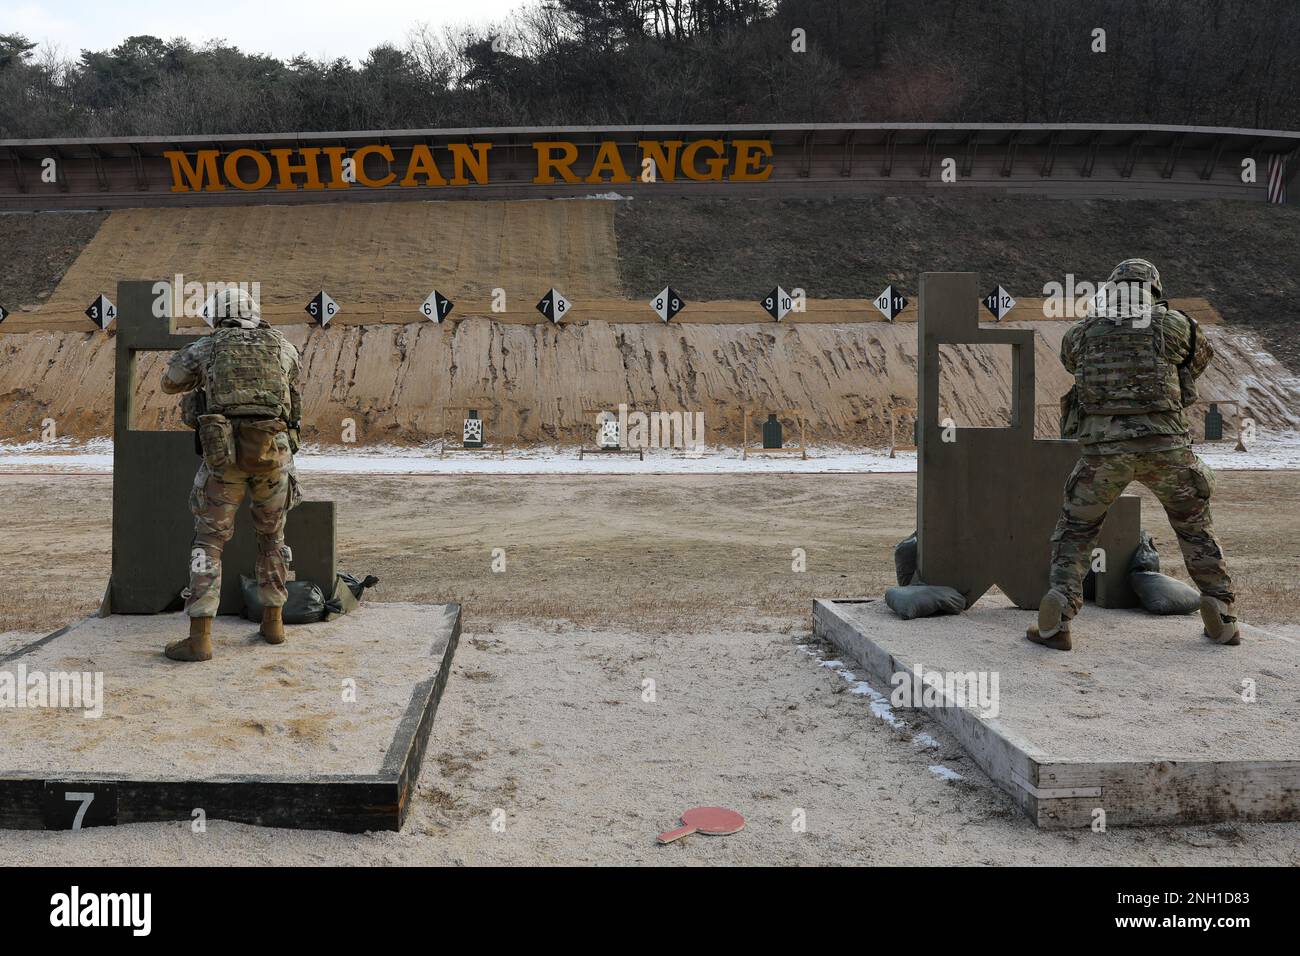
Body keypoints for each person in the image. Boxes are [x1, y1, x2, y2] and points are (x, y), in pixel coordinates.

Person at [1029, 259, 1238, 651]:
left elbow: (1071, 363)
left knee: (1076, 532)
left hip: (1103, 454)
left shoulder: (1082, 332)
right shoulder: (1177, 324)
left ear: (1111, 288)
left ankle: (1057, 618)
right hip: (1167, 448)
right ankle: (1221, 612)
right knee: (1195, 530)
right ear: (1153, 288)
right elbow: (1198, 361)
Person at [160, 287, 302, 662]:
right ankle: (273, 624)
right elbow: (292, 383)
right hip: (273, 454)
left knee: (209, 541)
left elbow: (170, 380)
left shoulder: (209, 346)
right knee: (272, 538)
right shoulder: (282, 345)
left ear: (220, 314)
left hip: (225, 458)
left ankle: (200, 638)